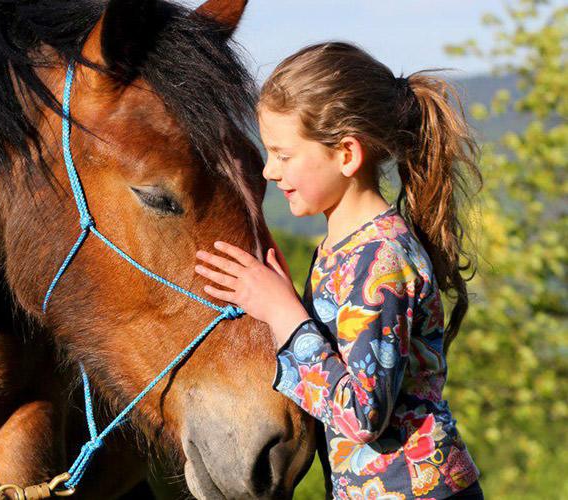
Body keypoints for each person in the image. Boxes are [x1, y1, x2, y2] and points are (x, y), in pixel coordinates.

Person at [193, 41, 484, 499]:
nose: (269, 171)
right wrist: (276, 304)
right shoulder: (341, 246)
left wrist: (286, 313)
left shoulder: (381, 262)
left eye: (283, 155)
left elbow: (363, 415)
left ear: (347, 154)